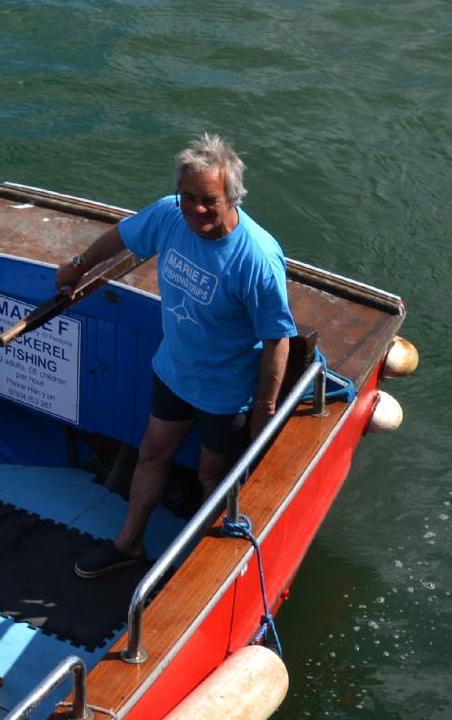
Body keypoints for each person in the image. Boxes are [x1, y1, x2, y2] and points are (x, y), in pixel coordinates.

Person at [57, 134, 297, 578]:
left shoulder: (257, 259)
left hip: (224, 394)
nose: (195, 209)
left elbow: (277, 338)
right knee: (152, 453)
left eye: (208, 200)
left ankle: (199, 569)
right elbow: (124, 235)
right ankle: (128, 545)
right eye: (188, 196)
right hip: (173, 372)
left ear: (232, 198)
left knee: (212, 477)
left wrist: (264, 410)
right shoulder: (170, 215)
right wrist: (79, 265)